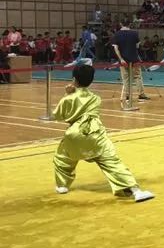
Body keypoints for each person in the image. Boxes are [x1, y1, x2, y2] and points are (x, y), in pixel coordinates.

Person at [52, 65, 155, 202]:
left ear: (74, 80)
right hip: (95, 133)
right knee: (112, 161)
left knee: (62, 158)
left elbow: (58, 115)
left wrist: (68, 94)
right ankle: (136, 191)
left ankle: (62, 185)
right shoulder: (96, 98)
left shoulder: (68, 98)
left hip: (74, 134)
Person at [112, 21, 149, 105]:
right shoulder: (135, 33)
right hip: (134, 59)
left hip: (123, 60)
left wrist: (121, 59)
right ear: (129, 25)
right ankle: (141, 95)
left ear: (121, 24)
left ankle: (128, 96)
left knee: (126, 78)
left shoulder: (117, 34)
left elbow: (116, 49)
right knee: (137, 77)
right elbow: (137, 46)